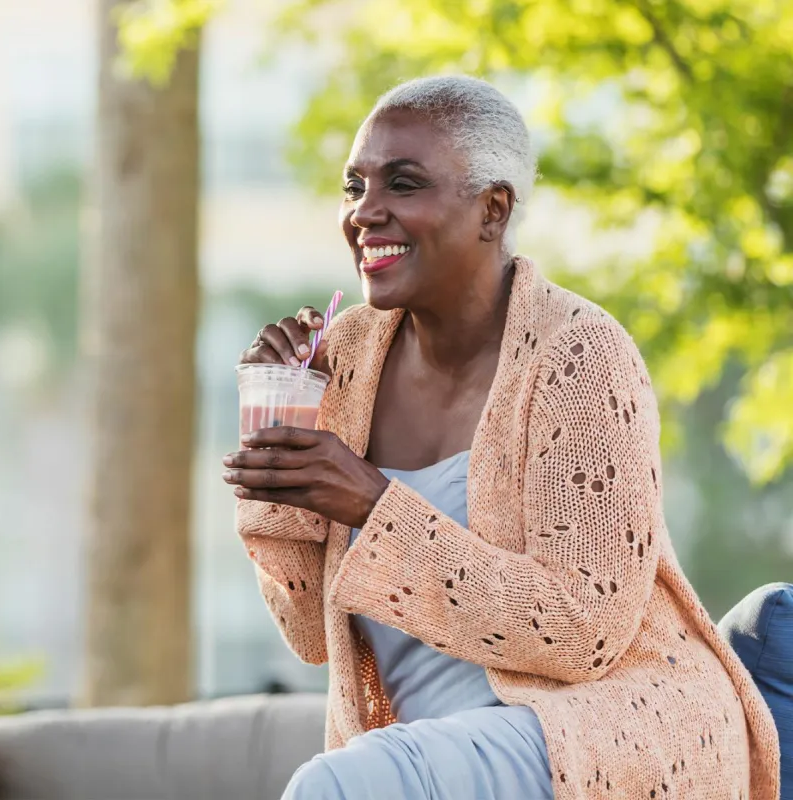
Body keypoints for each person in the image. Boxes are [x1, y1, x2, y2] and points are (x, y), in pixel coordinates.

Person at [222, 76, 780, 799]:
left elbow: (584, 631)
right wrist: (277, 452)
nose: (366, 212)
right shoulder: (348, 355)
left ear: (493, 209)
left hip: (600, 733)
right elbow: (308, 635)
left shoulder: (579, 356)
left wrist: (372, 502)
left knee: (335, 789)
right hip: (432, 745)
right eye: (353, 185)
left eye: (404, 183)